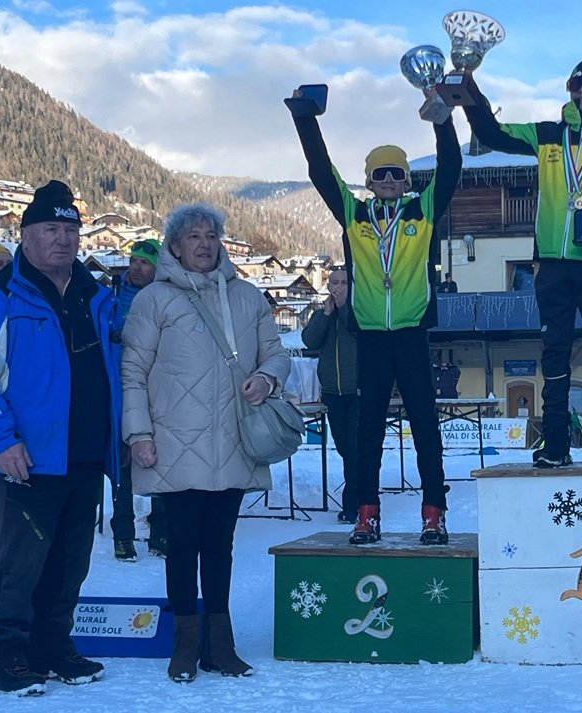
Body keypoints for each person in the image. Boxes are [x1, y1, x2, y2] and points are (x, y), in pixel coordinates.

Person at [121, 203, 290, 682]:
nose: (204, 243)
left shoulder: (249, 297)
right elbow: (132, 372)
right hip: (173, 443)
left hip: (233, 440)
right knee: (181, 546)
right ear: (174, 246)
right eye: (193, 236)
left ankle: (220, 645)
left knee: (221, 546)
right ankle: (185, 644)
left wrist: (266, 379)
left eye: (211, 235)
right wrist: (139, 434)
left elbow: (276, 355)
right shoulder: (152, 301)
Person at [462, 57, 582, 468]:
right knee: (554, 352)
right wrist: (468, 88)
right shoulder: (549, 135)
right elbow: (491, 133)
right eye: (575, 83)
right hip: (552, 263)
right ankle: (554, 444)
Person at [287, 86, 461, 545]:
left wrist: (442, 122)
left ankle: (434, 512)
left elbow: (452, 169)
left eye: (396, 173)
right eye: (380, 173)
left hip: (410, 334)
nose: (388, 179)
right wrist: (306, 119)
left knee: (425, 425)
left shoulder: (422, 211)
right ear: (369, 180)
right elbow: (321, 172)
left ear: (406, 179)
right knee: (368, 432)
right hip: (372, 338)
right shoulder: (355, 214)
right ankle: (366, 512)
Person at [0, 180, 122, 696]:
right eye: (51, 228)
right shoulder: (5, 295)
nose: (63, 239)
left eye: (70, 229)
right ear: (25, 234)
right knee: (18, 565)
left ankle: (53, 646)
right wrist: (3, 439)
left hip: (87, 451)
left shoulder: (97, 297)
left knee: (71, 561)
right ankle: (7, 652)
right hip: (28, 455)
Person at [110, 238, 167, 562]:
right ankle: (123, 534)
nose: (136, 267)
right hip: (120, 390)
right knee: (124, 464)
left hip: (156, 389)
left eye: (144, 262)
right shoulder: (115, 294)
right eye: (133, 261)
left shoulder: (164, 296)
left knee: (158, 459)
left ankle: (160, 531)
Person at [301, 265, 359, 524]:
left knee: (356, 447)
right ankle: (359, 497)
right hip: (332, 393)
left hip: (357, 390)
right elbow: (309, 340)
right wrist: (325, 314)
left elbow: (357, 331)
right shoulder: (322, 313)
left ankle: (354, 504)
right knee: (345, 448)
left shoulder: (358, 310)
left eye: (343, 282)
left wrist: (345, 307)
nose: (337, 287)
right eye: (333, 282)